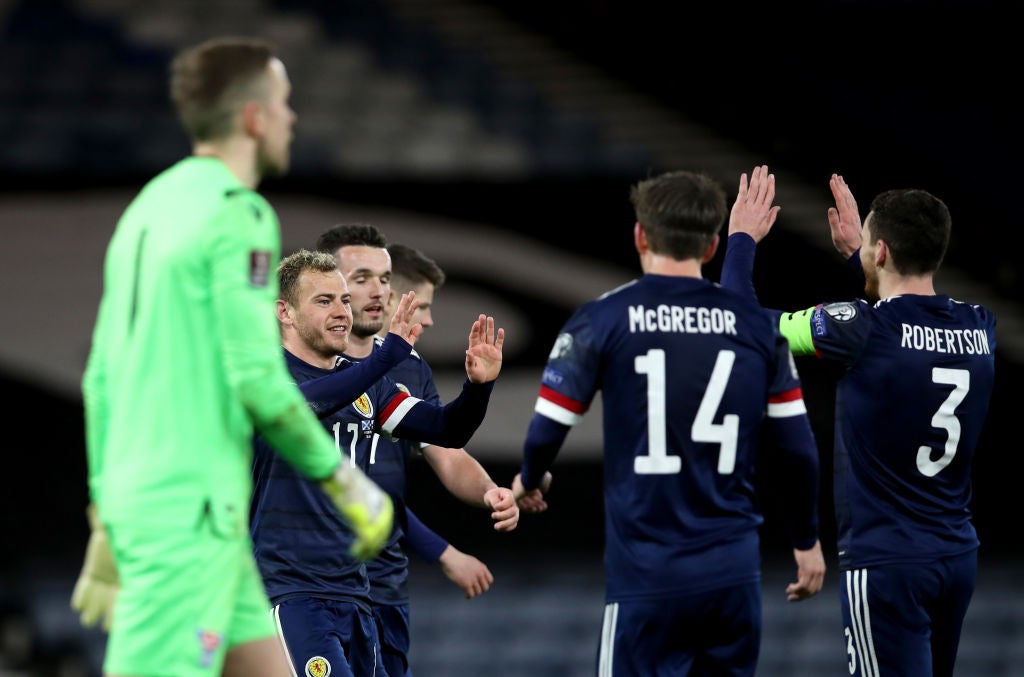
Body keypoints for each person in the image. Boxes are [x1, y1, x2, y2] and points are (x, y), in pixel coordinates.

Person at [72, 37, 394, 677]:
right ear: (254, 117)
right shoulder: (238, 214)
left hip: (176, 511)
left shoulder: (145, 210)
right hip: (189, 513)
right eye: (284, 102)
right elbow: (256, 378)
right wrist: (346, 481)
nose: (293, 118)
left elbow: (100, 377)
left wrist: (107, 508)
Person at [512, 168, 826, 676]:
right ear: (710, 247)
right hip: (734, 578)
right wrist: (807, 541)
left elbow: (548, 428)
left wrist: (529, 478)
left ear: (640, 235)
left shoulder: (603, 319)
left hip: (648, 578)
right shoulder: (759, 329)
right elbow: (799, 452)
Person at [721, 167, 996, 677]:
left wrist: (740, 238)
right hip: (957, 556)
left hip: (887, 562)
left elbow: (741, 325)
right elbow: (905, 321)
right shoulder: (980, 326)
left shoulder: (860, 329)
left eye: (869, 242)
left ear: (884, 252)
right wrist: (858, 255)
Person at [250, 248, 507, 677]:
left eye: (344, 301)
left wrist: (478, 388)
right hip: (289, 592)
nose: (342, 313)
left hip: (357, 595)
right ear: (285, 312)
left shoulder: (370, 385)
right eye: (324, 301)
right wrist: (384, 359)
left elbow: (446, 430)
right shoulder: (262, 375)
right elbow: (302, 407)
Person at [315, 226, 520, 677]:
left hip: (379, 582)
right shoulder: (292, 368)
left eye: (385, 280)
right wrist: (443, 552)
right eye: (364, 278)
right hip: (301, 581)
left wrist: (489, 489)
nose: (379, 292)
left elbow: (445, 442)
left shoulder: (403, 374)